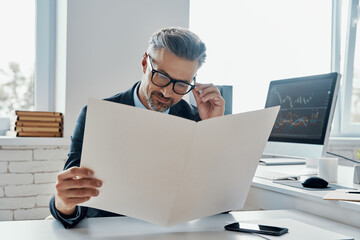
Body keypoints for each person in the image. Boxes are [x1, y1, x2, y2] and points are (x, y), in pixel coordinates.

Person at [49, 27, 225, 228]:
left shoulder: (197, 120)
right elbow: (72, 204)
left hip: (175, 232)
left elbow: (220, 207)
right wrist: (63, 203)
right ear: (144, 63)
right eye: (161, 76)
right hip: (110, 231)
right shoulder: (96, 116)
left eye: (181, 85)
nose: (167, 92)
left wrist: (213, 129)